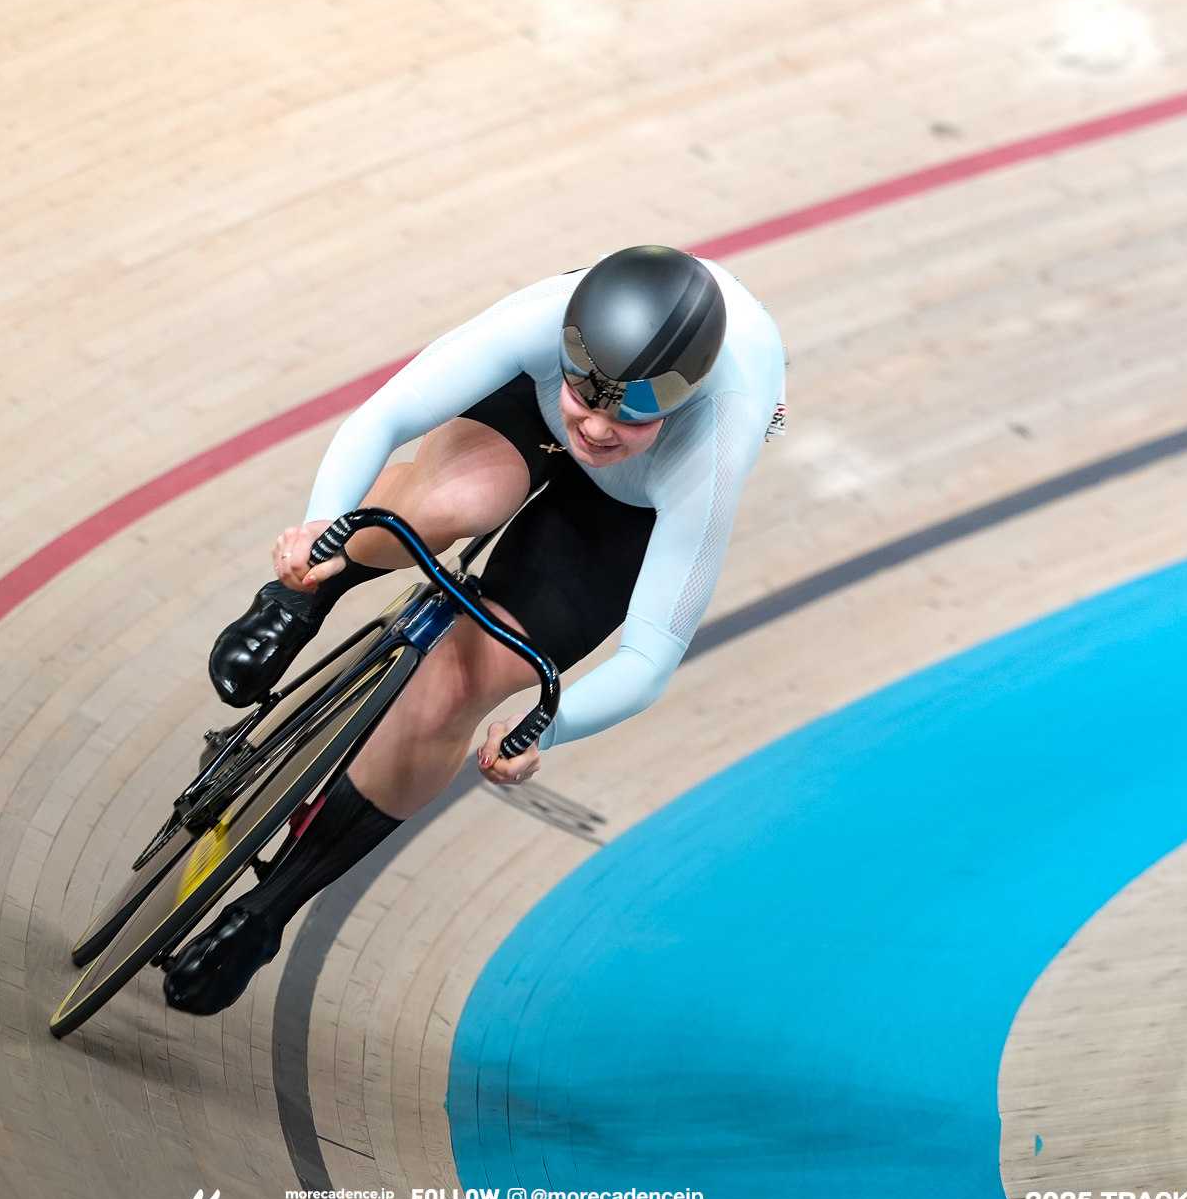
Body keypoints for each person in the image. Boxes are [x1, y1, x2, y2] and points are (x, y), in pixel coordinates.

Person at [163, 245, 786, 1014]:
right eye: (586, 398)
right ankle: (298, 600)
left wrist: (543, 728)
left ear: (678, 399)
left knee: (456, 686)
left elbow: (652, 654)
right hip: (528, 412)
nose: (591, 428)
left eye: (625, 417)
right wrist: (319, 527)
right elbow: (387, 414)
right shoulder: (546, 320)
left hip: (631, 507)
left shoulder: (717, 436)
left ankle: (266, 912)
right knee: (445, 503)